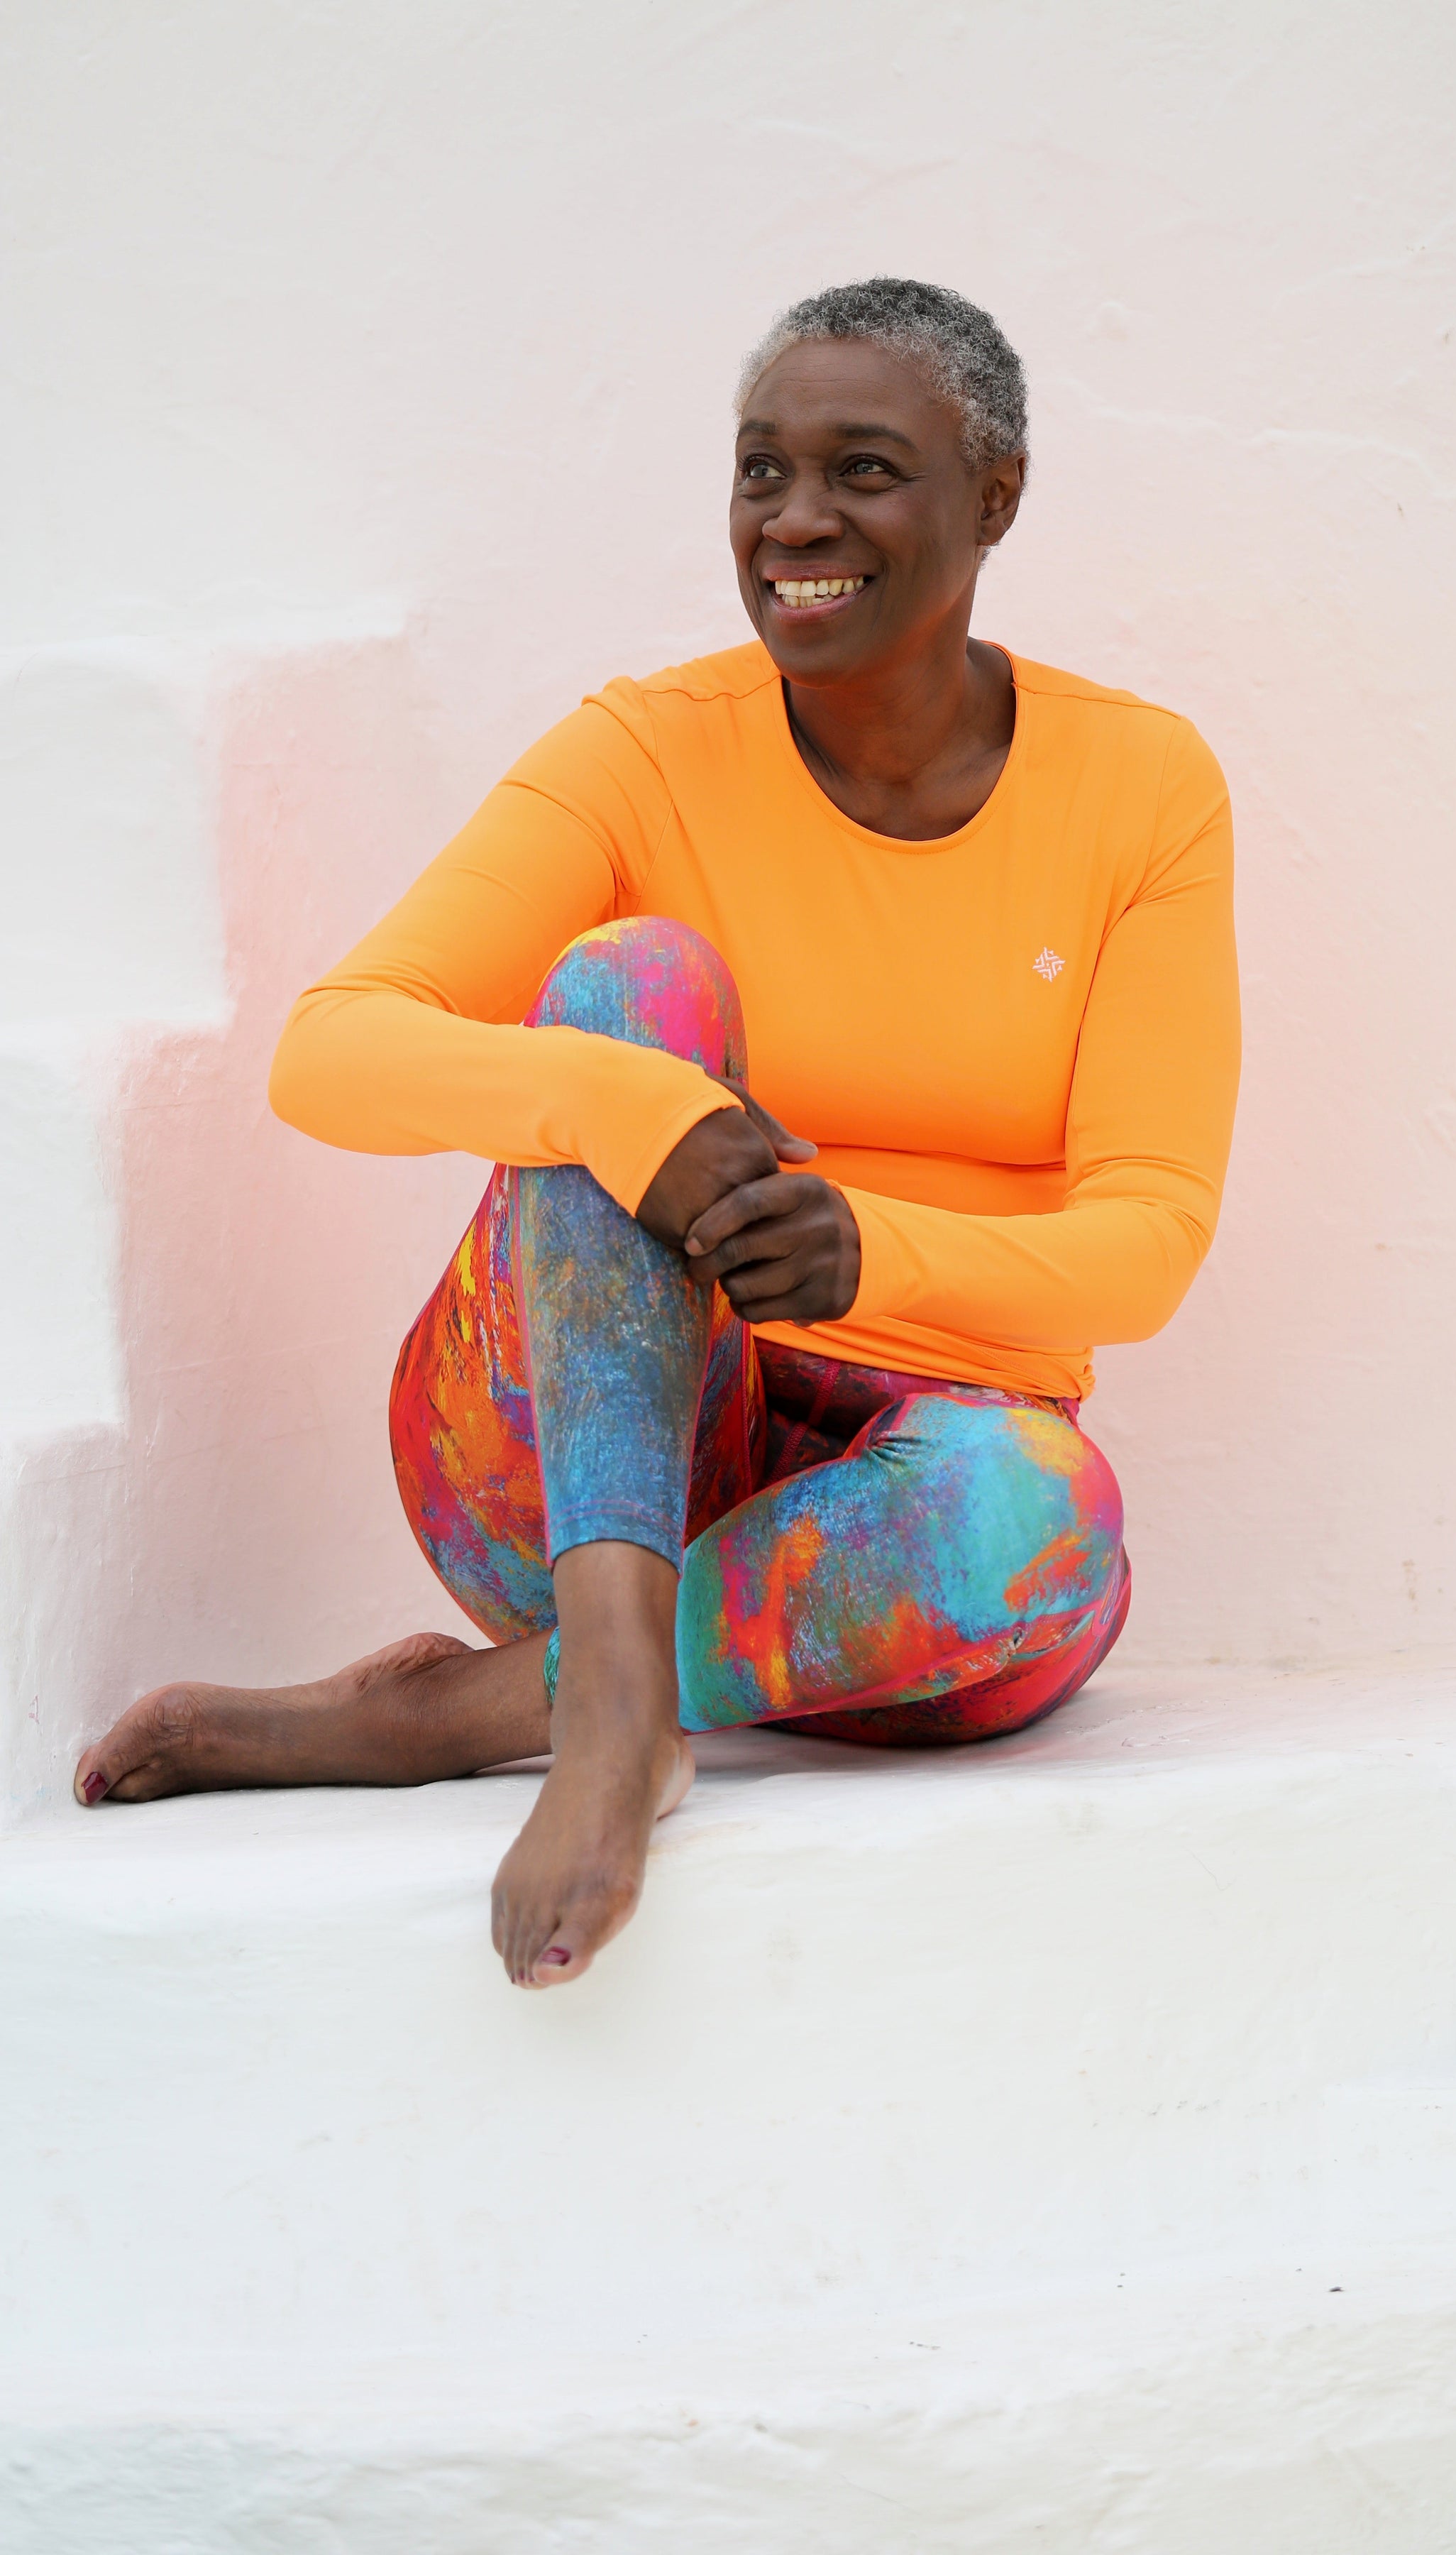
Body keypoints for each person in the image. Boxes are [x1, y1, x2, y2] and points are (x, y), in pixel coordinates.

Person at [75, 278, 1241, 1990]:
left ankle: (468, 1708)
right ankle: (614, 1700)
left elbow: (1148, 1238)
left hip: (903, 1529)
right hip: (573, 1460)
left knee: (1050, 1521)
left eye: (864, 469)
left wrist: (869, 1246)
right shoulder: (642, 750)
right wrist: (633, 1104)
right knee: (628, 982)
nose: (798, 522)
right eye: (762, 471)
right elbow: (331, 1049)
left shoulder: (1142, 789)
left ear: (994, 499)